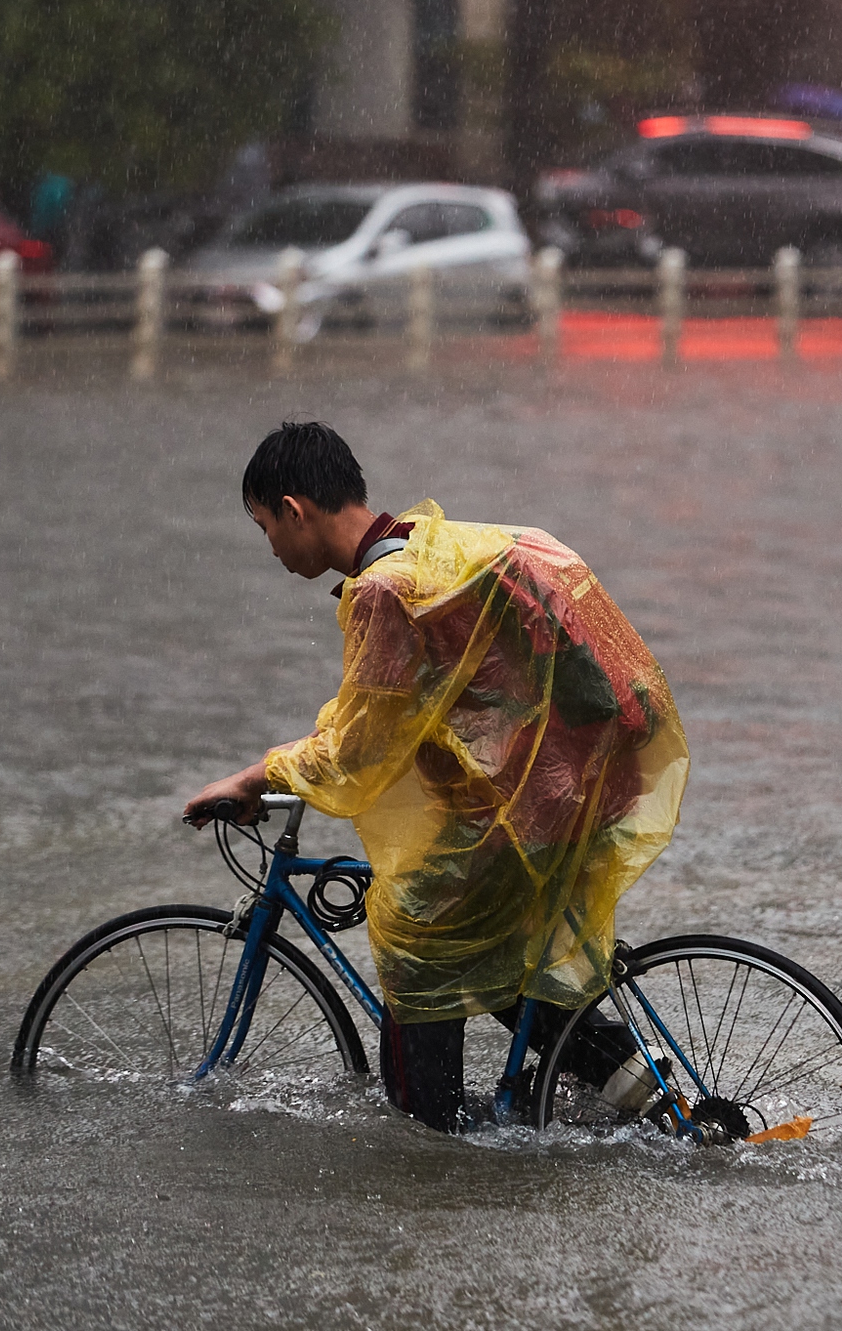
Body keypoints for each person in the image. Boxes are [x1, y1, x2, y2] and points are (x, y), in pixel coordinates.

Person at [184, 422, 689, 1132]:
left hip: (520, 811)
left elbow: (358, 751)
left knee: (419, 939)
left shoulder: (385, 592)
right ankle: (645, 1096)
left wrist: (256, 775)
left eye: (267, 527)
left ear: (295, 510)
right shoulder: (430, 550)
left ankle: (441, 1137)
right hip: (570, 791)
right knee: (496, 958)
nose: (271, 546)